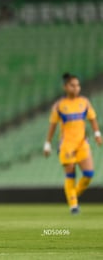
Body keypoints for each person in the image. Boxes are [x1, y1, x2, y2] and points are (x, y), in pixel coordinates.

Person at [44, 73, 101, 214]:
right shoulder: (59, 105)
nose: (76, 88)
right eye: (72, 85)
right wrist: (47, 144)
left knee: (88, 174)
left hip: (82, 143)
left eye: (78, 85)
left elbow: (92, 119)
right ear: (65, 87)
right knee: (71, 175)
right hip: (66, 145)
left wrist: (97, 134)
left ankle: (72, 195)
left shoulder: (84, 102)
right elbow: (52, 125)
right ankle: (73, 205)